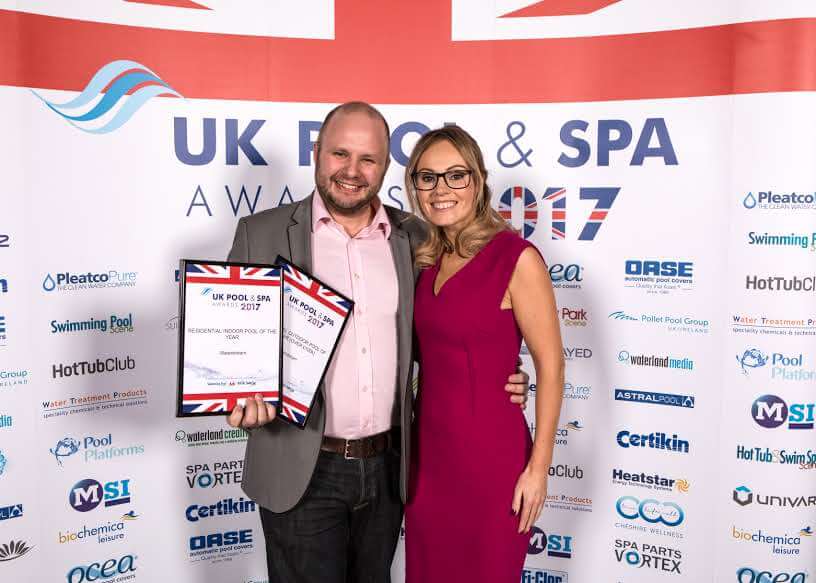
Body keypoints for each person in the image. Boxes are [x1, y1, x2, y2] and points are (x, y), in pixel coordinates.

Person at [224, 102, 529, 583]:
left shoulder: (417, 237)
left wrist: (502, 376)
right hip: (301, 467)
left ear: (386, 166)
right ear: (317, 152)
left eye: (368, 159)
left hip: (389, 470)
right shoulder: (260, 233)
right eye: (339, 153)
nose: (352, 171)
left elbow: (450, 328)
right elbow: (233, 348)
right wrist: (236, 396)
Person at [404, 126, 564, 583]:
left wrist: (538, 469)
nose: (441, 190)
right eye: (427, 177)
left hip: (492, 465)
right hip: (428, 465)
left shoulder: (516, 258)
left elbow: (551, 366)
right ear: (414, 186)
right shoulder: (425, 259)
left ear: (478, 181)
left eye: (456, 175)